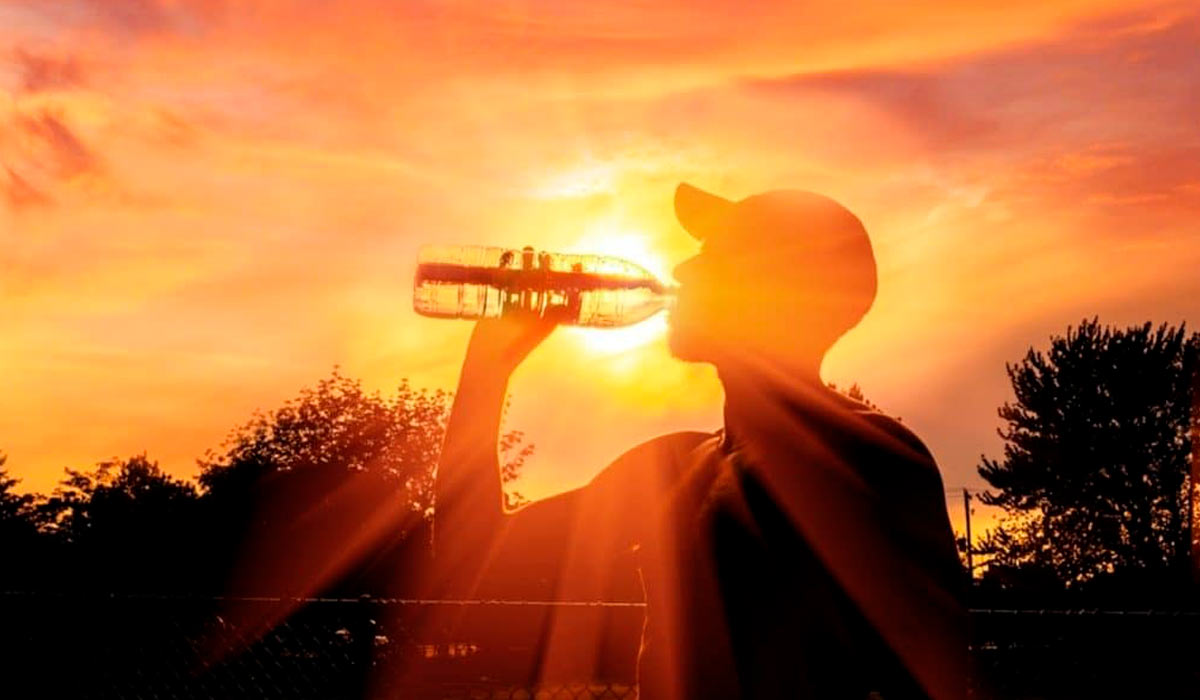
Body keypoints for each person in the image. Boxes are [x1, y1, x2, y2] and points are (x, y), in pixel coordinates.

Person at [429, 183, 967, 699]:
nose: (683, 269)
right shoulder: (674, 465)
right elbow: (472, 565)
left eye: (717, 254)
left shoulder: (867, 457)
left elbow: (935, 676)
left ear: (779, 292)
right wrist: (487, 368)